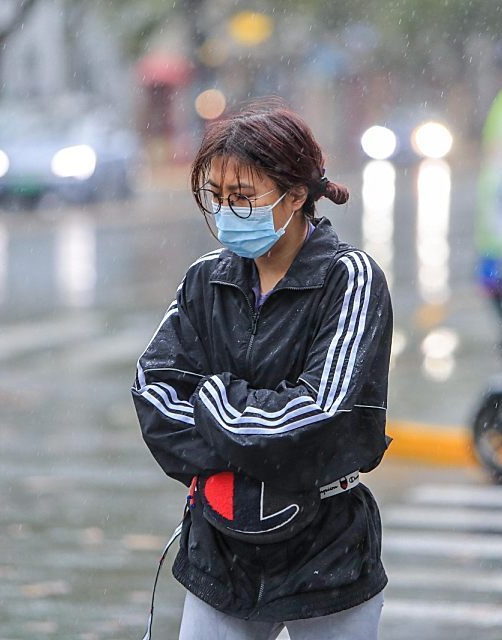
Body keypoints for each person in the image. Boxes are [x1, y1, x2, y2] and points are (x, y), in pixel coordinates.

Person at [131, 97, 393, 640]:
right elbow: (153, 396)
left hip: (329, 555)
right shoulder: (205, 281)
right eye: (218, 198)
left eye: (244, 197)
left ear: (296, 195)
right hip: (219, 550)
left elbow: (318, 416)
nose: (227, 212)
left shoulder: (350, 280)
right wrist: (259, 441)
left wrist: (211, 399)